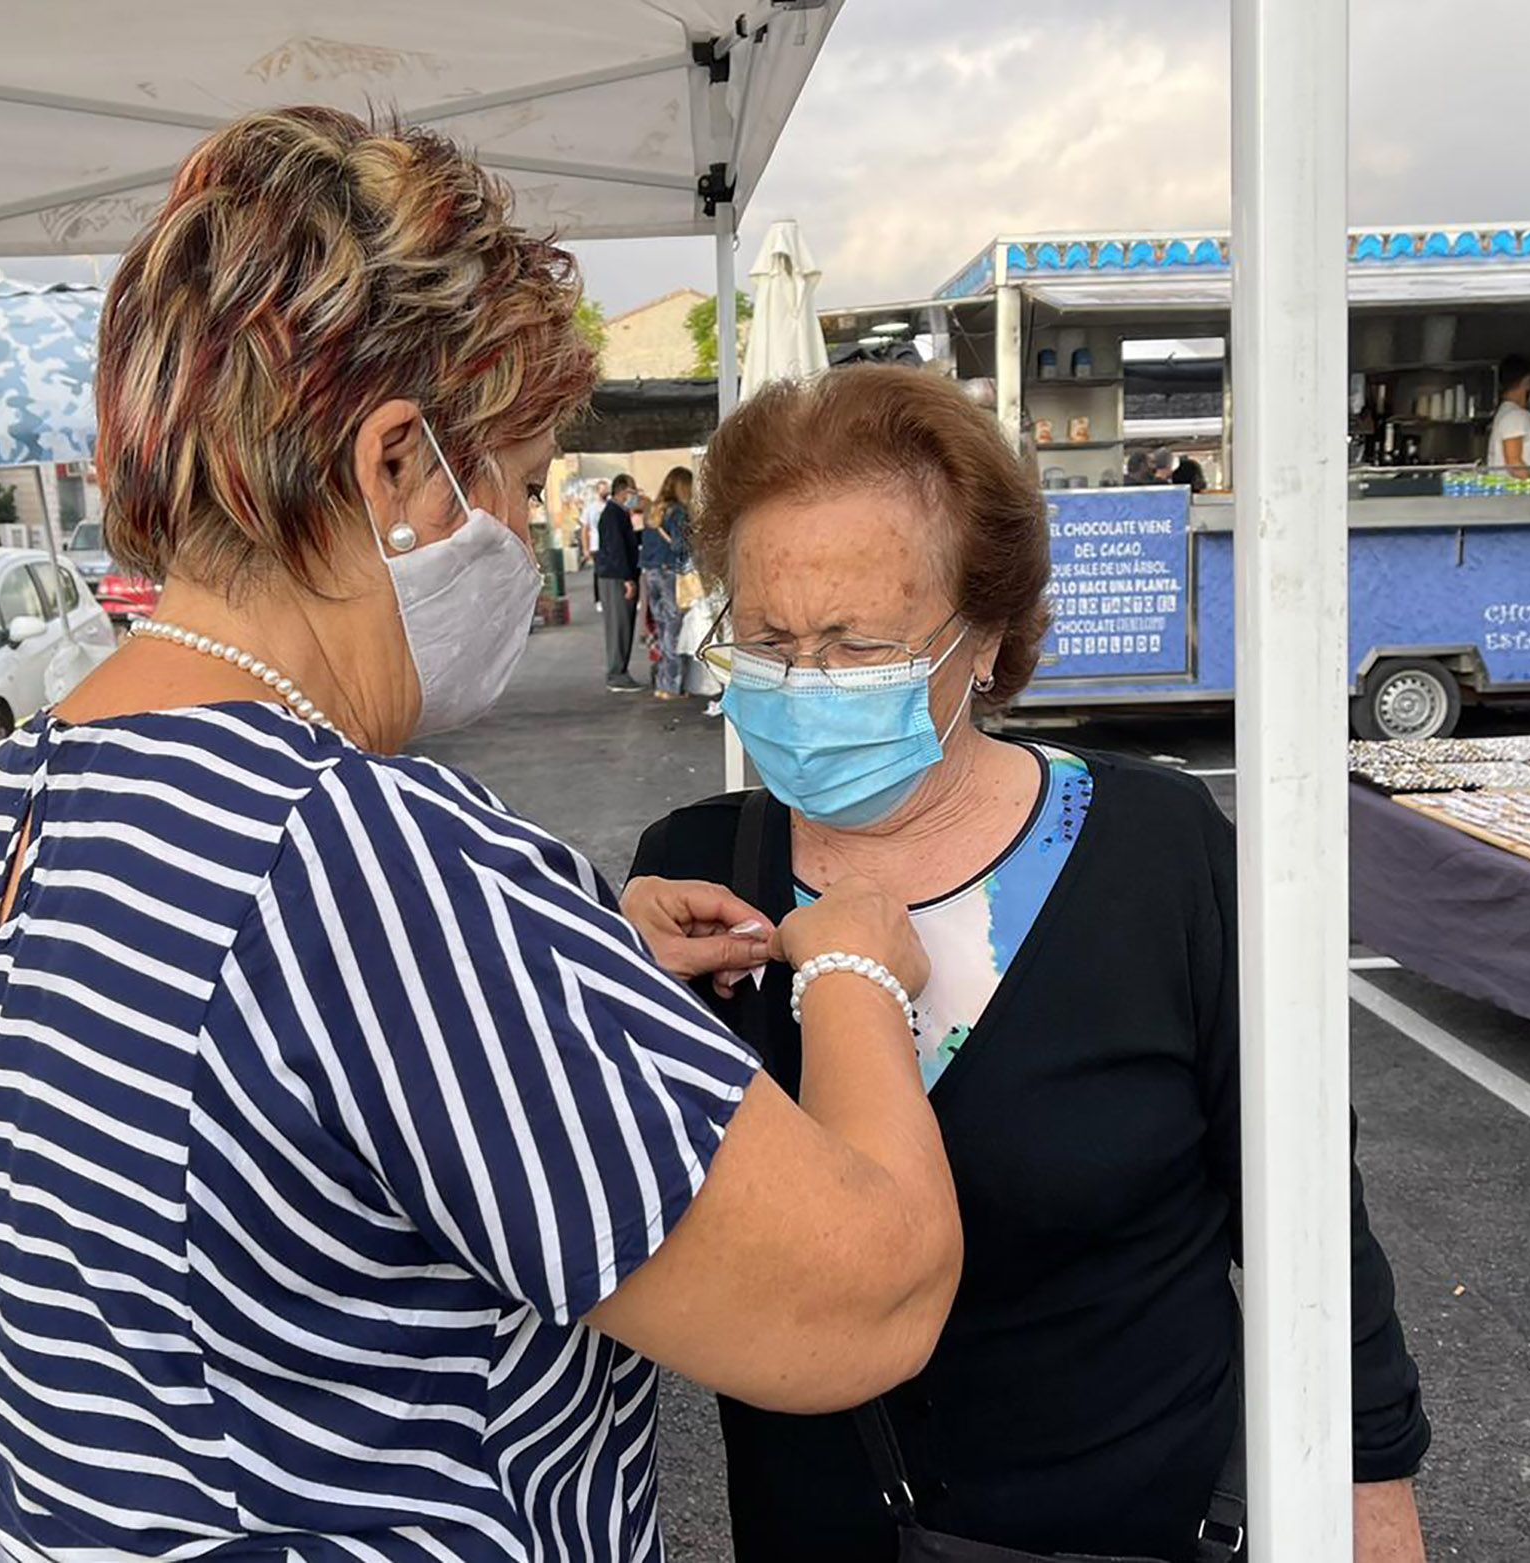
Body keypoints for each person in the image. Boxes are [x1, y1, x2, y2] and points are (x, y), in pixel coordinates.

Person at [0, 108, 962, 1563]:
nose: (522, 540)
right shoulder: (362, 856)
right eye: (517, 484)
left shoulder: (5, 803)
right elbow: (863, 1298)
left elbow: (261, 1139)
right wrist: (854, 977)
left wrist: (560, 970)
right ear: (395, 465)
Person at [632, 365, 1431, 1563]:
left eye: (857, 646)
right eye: (767, 642)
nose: (802, 686)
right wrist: (596, 985)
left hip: (1142, 1525)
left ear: (989, 635)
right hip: (824, 1529)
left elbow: (1302, 1200)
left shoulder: (1157, 856)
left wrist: (1368, 1487)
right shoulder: (693, 877)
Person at [641, 465, 696, 699]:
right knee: (674, 629)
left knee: (662, 627)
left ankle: (662, 683)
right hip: (669, 574)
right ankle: (672, 686)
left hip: (651, 572)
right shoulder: (678, 513)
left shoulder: (654, 511)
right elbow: (680, 546)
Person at [595, 472, 642, 689]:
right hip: (616, 577)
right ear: (623, 491)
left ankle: (620, 670)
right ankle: (616, 673)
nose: (634, 496)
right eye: (632, 491)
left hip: (617, 575)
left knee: (623, 624)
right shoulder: (613, 515)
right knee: (619, 626)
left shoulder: (618, 513)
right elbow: (616, 549)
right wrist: (627, 579)